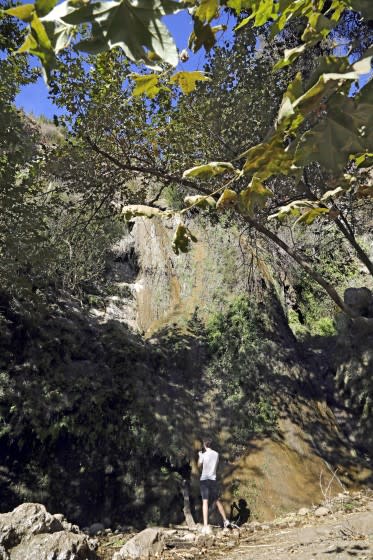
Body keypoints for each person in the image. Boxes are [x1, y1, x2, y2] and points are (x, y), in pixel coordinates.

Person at [198, 437, 231, 534]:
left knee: (205, 502)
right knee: (217, 501)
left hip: (204, 480)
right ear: (211, 444)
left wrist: (200, 456)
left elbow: (199, 465)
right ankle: (225, 521)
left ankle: (205, 525)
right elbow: (215, 465)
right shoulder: (216, 454)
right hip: (213, 480)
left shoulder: (203, 455)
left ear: (204, 445)